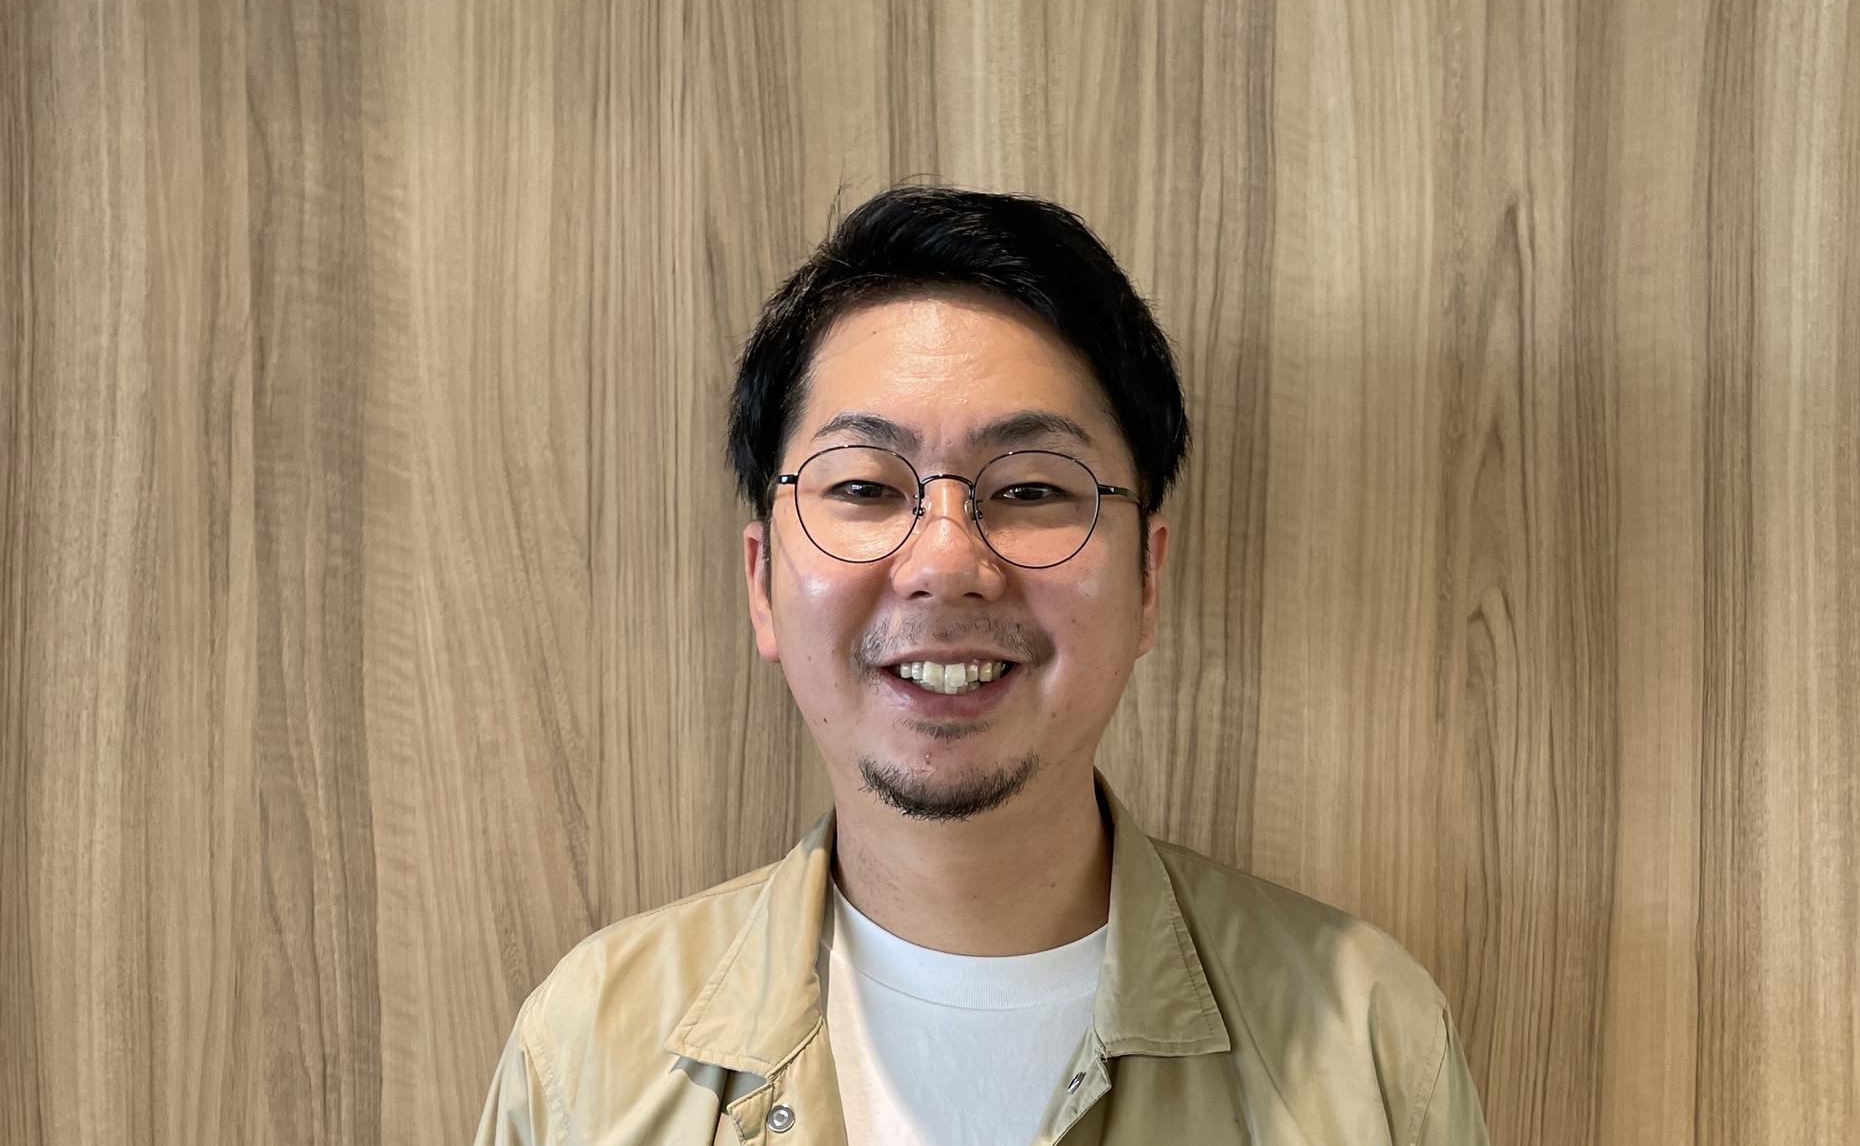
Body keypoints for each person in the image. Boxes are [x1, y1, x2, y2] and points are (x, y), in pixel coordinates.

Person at [472, 186, 1491, 1145]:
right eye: (865, 487)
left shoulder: (1367, 1047)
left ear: (1146, 579)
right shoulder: (589, 1054)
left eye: (1034, 489)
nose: (946, 563)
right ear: (762, 582)